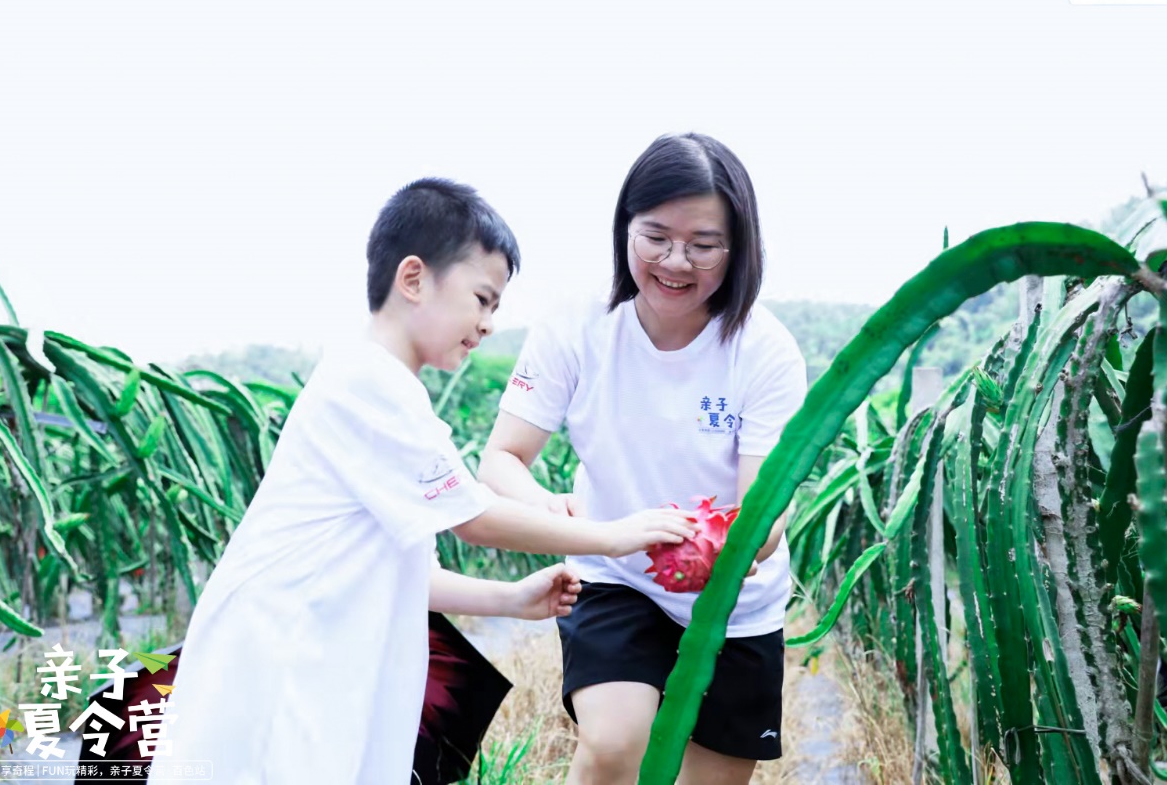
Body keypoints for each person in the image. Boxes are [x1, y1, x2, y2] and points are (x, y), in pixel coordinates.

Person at [151, 178, 697, 785]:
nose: (489, 323)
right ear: (414, 279)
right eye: (483, 298)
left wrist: (510, 602)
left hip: (316, 654)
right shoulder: (369, 384)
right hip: (285, 654)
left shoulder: (385, 388)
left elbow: (407, 568)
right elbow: (476, 516)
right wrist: (613, 536)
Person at [478, 133, 808, 785]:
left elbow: (765, 513)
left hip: (735, 601)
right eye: (655, 235)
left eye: (704, 244)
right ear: (624, 226)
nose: (676, 261)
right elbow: (501, 459)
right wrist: (549, 508)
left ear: (739, 247)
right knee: (613, 742)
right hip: (614, 572)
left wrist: (703, 549)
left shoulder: (766, 351)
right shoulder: (577, 325)